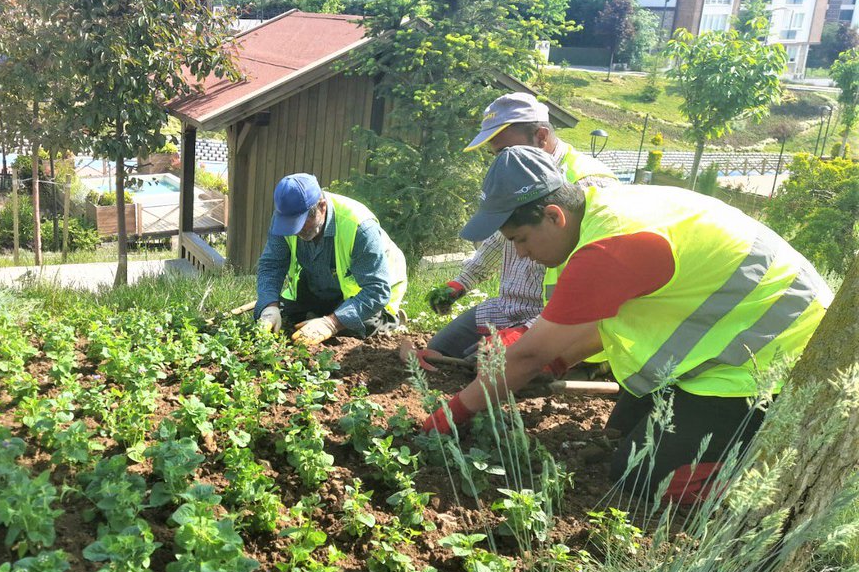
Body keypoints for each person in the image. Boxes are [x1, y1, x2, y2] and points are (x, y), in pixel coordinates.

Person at [425, 146, 832, 504]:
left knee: (642, 475)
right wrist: (557, 359)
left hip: (779, 357)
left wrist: (452, 413)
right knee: (622, 431)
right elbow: (597, 324)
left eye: (520, 240)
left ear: (553, 216)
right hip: (733, 336)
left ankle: (776, 470)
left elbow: (528, 356)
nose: (522, 254)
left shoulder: (608, 248)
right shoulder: (598, 213)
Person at [412, 93, 617, 369]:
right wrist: (463, 282)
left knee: (486, 370)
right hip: (506, 306)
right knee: (441, 352)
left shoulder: (588, 183)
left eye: (504, 151)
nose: (500, 160)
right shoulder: (515, 173)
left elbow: (598, 292)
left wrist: (529, 334)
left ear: (541, 137)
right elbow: (502, 236)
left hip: (556, 319)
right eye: (495, 154)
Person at [254, 173, 407, 346]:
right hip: (318, 285)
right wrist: (269, 305)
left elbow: (377, 290)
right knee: (284, 320)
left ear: (322, 206)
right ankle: (321, 314)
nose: (295, 230)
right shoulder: (283, 220)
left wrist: (331, 323)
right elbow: (271, 264)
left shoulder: (360, 226)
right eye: (290, 224)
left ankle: (391, 321)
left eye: (302, 222)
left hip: (366, 294)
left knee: (359, 326)